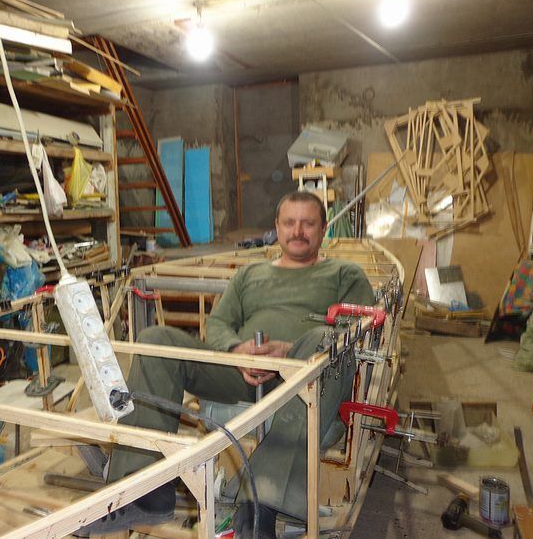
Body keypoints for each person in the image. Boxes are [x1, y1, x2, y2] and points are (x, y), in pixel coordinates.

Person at [75, 191, 375, 538]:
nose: (297, 231)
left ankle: (262, 499)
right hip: (241, 371)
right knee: (156, 340)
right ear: (277, 227)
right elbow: (217, 324)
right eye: (289, 223)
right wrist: (236, 349)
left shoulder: (344, 273)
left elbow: (355, 332)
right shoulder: (250, 275)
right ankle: (142, 492)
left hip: (306, 379)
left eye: (307, 223)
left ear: (323, 229)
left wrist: (289, 351)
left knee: (328, 339)